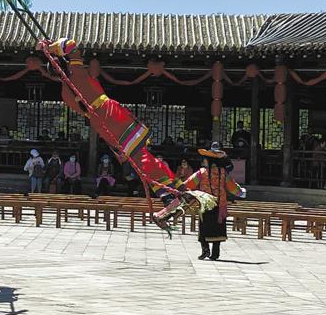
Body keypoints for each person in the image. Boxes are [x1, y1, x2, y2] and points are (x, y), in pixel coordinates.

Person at [44, 39, 178, 222]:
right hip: (109, 114)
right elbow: (71, 44)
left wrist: (51, 50)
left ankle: (170, 193)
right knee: (141, 156)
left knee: (140, 157)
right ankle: (171, 193)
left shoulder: (65, 92)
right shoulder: (76, 71)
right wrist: (51, 47)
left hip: (101, 122)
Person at [183, 142, 246, 260]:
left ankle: (205, 250)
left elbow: (188, 184)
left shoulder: (201, 172)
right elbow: (232, 186)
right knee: (218, 228)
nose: (204, 161)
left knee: (204, 227)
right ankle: (215, 253)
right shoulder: (223, 173)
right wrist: (241, 192)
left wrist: (178, 188)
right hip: (219, 204)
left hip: (205, 204)